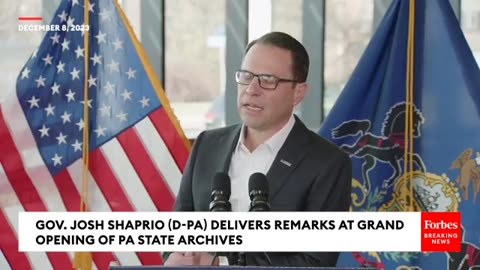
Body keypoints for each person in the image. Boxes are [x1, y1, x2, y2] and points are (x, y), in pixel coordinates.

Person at [164, 31, 352, 267]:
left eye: (268, 79)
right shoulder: (207, 145)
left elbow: (316, 261)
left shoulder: (328, 163)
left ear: (298, 92)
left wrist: (221, 264)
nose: (252, 89)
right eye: (246, 76)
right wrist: (176, 257)